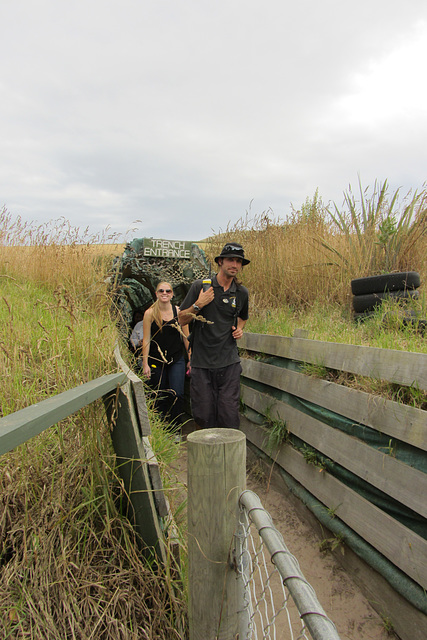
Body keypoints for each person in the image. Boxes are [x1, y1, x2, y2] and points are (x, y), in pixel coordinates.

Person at [178, 242, 250, 429]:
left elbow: (243, 317)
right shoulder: (200, 287)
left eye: (238, 261)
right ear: (220, 262)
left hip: (229, 363)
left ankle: (227, 457)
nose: (234, 264)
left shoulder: (241, 293)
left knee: (229, 414)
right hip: (202, 363)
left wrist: (239, 329)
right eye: (230, 260)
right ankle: (207, 457)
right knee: (203, 415)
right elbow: (181, 320)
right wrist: (198, 304)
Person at [142, 282, 190, 431]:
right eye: (161, 291)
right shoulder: (150, 313)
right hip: (156, 360)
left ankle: (175, 428)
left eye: (168, 291)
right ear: (156, 294)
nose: (165, 293)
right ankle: (161, 428)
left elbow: (186, 337)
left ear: (172, 294)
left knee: (177, 394)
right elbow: (146, 339)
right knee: (159, 394)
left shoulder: (179, 312)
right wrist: (145, 363)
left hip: (176, 359)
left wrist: (190, 358)